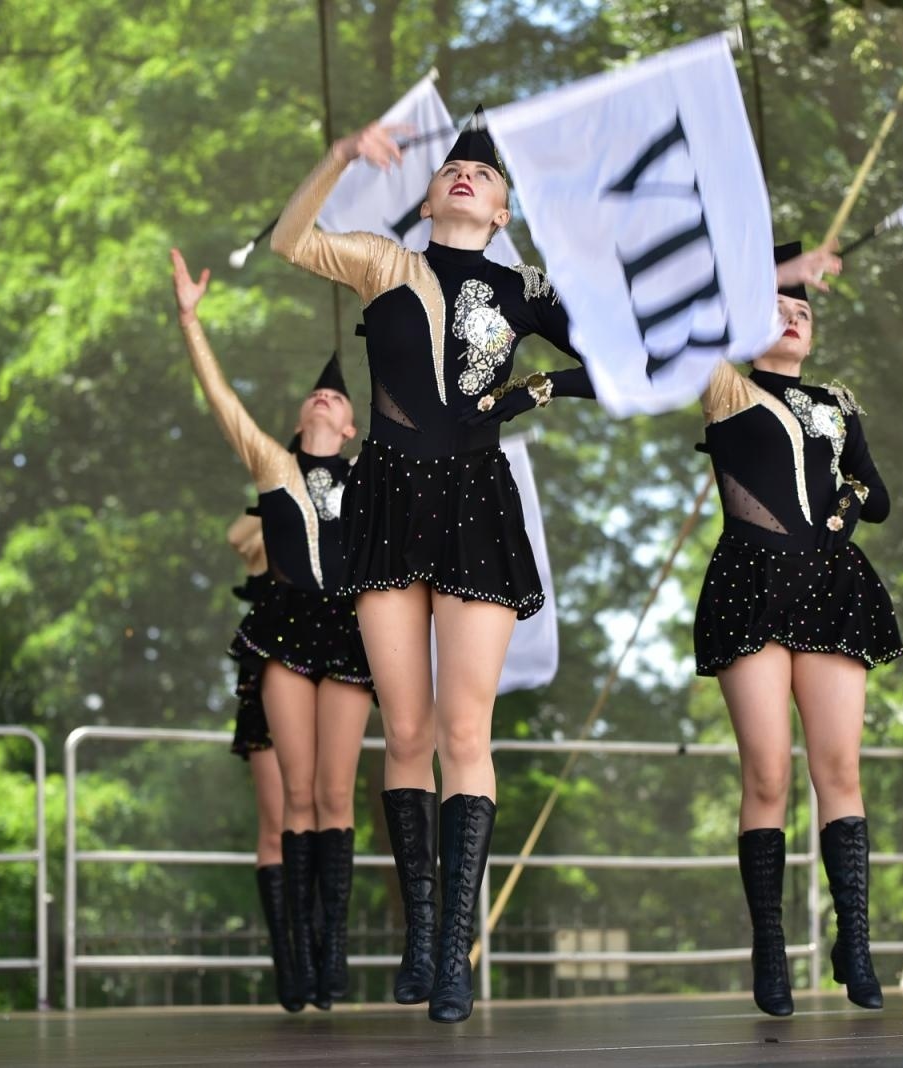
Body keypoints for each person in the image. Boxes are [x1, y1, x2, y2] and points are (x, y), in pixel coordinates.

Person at [270, 112, 593, 1023]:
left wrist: (530, 390)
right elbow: (291, 239)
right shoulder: (385, 261)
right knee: (404, 731)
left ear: (500, 210)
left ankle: (454, 951)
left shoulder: (524, 283)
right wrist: (337, 155)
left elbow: (608, 361)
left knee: (464, 732)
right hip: (388, 498)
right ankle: (421, 929)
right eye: (452, 166)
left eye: (483, 175)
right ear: (427, 193)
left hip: (477, 504)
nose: (464, 174)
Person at [695, 242, 901, 1015]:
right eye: (778, 307)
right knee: (768, 776)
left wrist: (843, 509)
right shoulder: (726, 386)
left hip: (829, 584)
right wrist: (777, 277)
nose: (792, 318)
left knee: (839, 768)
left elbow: (875, 494)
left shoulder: (838, 400)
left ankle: (856, 937)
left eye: (803, 312)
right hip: (750, 582)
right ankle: (771, 946)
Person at [172, 249, 373, 1011]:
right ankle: (299, 961)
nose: (325, 399)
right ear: (299, 417)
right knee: (295, 794)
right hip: (286, 629)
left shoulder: (372, 478)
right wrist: (192, 321)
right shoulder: (271, 467)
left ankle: (332, 953)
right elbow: (220, 397)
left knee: (335, 793)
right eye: (315, 396)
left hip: (349, 635)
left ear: (351, 424)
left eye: (336, 398)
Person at [222, 513, 292, 1011]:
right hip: (271, 675)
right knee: (276, 825)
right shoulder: (271, 511)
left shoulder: (347, 491)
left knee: (327, 813)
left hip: (329, 667)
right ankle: (286, 959)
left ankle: (317, 951)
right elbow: (238, 538)